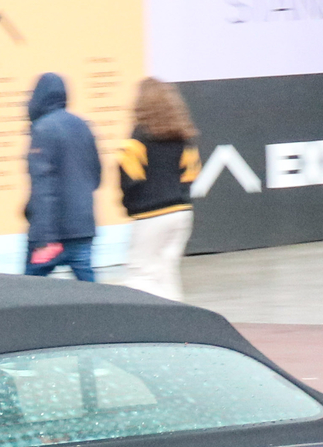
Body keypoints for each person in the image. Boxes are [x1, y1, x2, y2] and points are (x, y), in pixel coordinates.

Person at [115, 78, 200, 301]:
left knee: (140, 273)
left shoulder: (138, 138)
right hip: (181, 213)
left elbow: (129, 176)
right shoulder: (182, 136)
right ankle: (178, 321)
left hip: (151, 216)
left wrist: (130, 205)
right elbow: (191, 173)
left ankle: (146, 322)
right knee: (167, 271)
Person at [22, 71, 99, 281]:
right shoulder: (83, 125)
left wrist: (45, 237)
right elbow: (96, 176)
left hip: (52, 233)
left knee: (28, 291)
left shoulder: (42, 129)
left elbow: (44, 187)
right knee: (90, 293)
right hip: (82, 228)